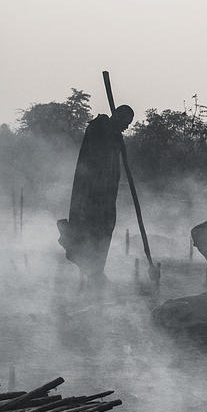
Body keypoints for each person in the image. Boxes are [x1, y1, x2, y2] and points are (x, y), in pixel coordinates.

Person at [57, 105, 134, 285]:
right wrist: (113, 136)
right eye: (125, 122)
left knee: (105, 227)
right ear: (117, 116)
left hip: (107, 193)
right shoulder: (100, 126)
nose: (127, 127)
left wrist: (117, 138)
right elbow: (97, 152)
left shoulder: (114, 133)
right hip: (92, 191)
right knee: (92, 226)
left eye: (129, 124)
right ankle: (89, 264)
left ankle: (96, 269)